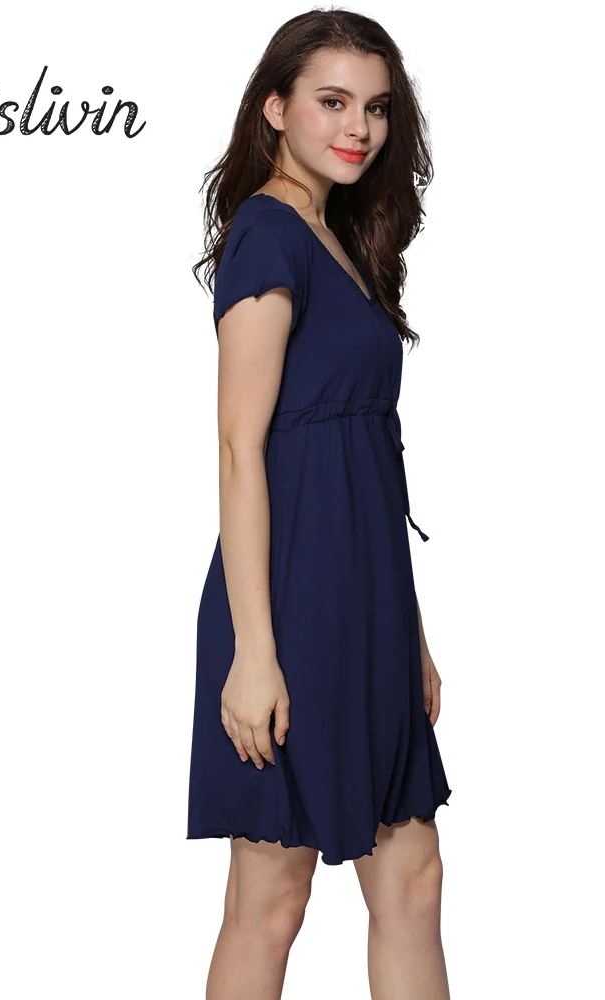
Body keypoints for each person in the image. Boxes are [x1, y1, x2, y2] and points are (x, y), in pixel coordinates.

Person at [188, 9, 453, 998]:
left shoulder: (336, 238)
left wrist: (410, 633)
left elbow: (371, 460)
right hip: (291, 599)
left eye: (376, 108)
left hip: (368, 597)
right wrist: (254, 652)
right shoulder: (267, 235)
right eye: (333, 101)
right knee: (272, 896)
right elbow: (239, 446)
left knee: (412, 878)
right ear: (275, 109)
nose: (359, 127)